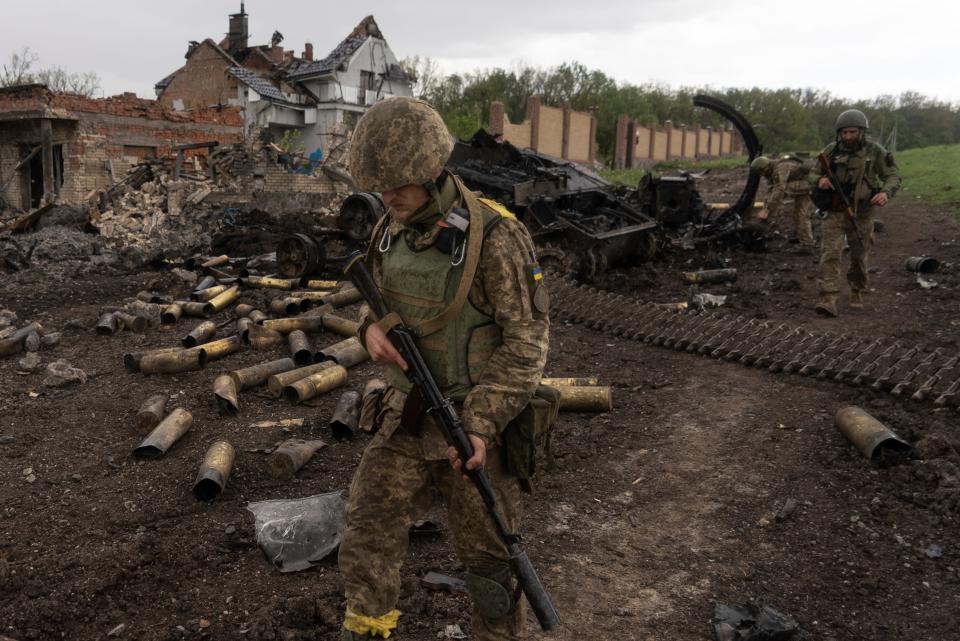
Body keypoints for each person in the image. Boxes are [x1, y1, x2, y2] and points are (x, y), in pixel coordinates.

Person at [337, 97, 550, 641]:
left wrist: (480, 423)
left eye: (399, 186)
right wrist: (369, 330)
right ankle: (367, 630)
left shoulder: (495, 237)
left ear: (433, 171)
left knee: (490, 565)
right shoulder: (390, 229)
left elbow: (527, 340)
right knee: (366, 533)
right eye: (380, 188)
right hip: (405, 419)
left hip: (475, 431)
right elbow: (374, 303)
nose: (388, 198)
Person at [810, 109, 901, 317]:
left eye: (852, 132)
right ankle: (828, 297)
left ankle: (857, 289)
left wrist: (886, 192)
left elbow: (893, 175)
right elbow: (813, 172)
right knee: (830, 253)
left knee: (859, 255)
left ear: (861, 131)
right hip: (834, 210)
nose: (848, 137)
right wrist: (819, 180)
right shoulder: (831, 150)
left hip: (862, 212)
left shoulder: (875, 152)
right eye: (844, 133)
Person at [749, 154, 817, 253]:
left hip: (810, 183)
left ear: (764, 168)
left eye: (761, 173)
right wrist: (765, 208)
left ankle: (807, 245)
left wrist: (767, 210)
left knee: (782, 191)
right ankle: (807, 245)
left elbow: (779, 190)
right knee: (800, 215)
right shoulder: (771, 171)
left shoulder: (780, 167)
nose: (762, 176)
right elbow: (769, 193)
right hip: (804, 184)